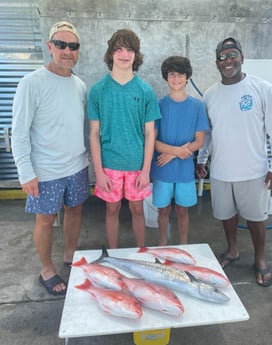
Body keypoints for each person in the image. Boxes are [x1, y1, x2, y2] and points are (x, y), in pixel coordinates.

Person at [196, 37, 272, 287]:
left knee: (257, 218)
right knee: (227, 215)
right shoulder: (210, 95)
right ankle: (232, 250)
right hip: (221, 171)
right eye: (222, 57)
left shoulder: (263, 88)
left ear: (242, 57)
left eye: (232, 55)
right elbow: (208, 133)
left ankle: (260, 260)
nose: (228, 61)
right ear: (217, 63)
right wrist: (202, 159)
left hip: (254, 171)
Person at [11, 21, 90, 296]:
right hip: (45, 170)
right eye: (61, 44)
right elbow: (19, 132)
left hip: (77, 166)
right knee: (45, 220)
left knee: (75, 211)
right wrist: (25, 172)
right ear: (49, 47)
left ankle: (70, 254)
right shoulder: (31, 83)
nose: (67, 51)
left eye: (73, 46)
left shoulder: (80, 85)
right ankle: (47, 269)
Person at [88, 28, 161, 249]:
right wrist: (98, 172)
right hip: (109, 164)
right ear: (111, 54)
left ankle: (141, 252)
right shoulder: (98, 90)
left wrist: (146, 170)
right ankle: (113, 254)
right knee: (112, 209)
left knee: (137, 209)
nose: (124, 54)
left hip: (137, 165)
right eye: (118, 49)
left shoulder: (145, 91)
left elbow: (150, 134)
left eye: (129, 49)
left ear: (136, 55)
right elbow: (93, 134)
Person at [150, 56, 209, 245]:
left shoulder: (198, 106)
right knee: (163, 210)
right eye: (171, 74)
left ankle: (184, 245)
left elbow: (199, 141)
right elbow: (153, 142)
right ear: (166, 78)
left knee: (183, 210)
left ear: (188, 77)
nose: (176, 79)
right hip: (162, 167)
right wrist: (177, 151)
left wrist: (172, 153)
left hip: (184, 170)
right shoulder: (158, 105)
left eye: (180, 74)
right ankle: (162, 245)